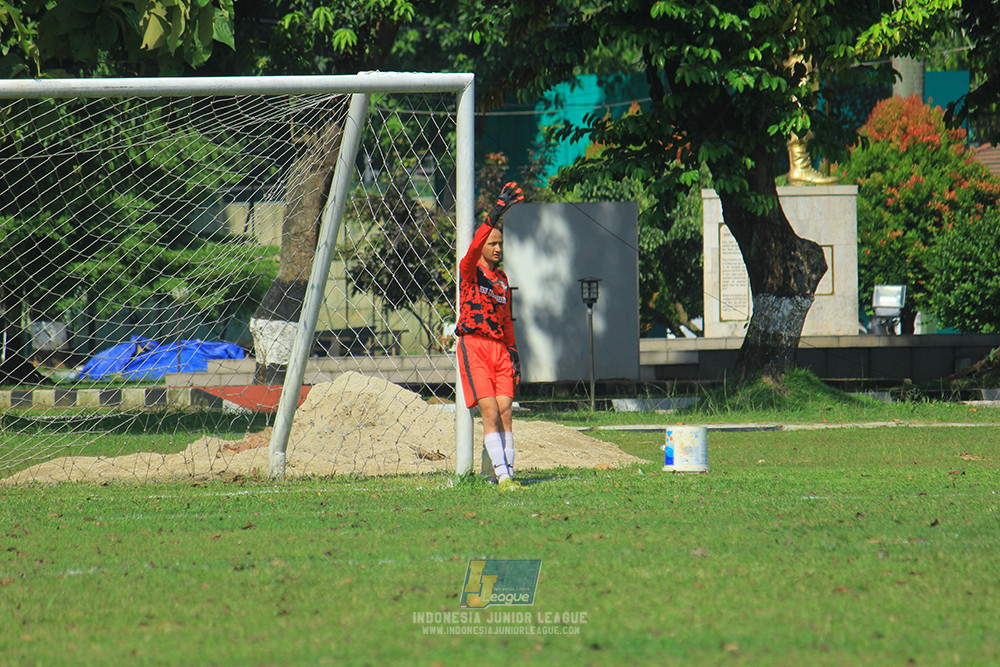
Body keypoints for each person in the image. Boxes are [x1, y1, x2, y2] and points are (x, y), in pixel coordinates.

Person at [457, 181, 524, 491]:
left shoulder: (502, 280)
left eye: (501, 244)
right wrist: (495, 214)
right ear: (481, 245)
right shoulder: (471, 271)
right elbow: (471, 250)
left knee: (506, 411)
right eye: (493, 243)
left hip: (499, 350)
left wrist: (513, 352)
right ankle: (502, 476)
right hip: (475, 346)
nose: (498, 248)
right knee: (489, 411)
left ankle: (510, 472)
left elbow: (506, 320)